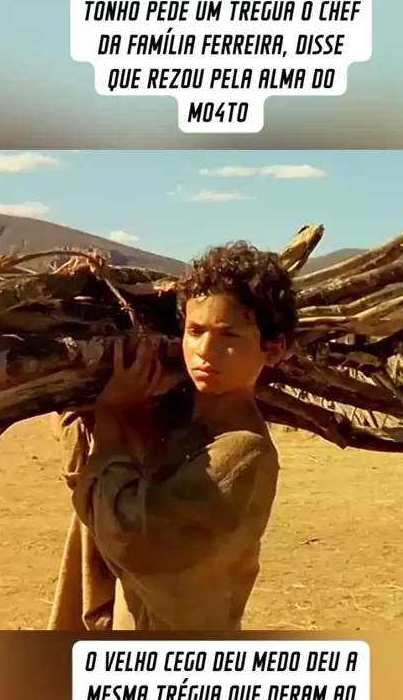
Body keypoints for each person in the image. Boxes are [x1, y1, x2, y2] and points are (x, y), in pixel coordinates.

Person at [48, 242, 297, 631]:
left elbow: (136, 541)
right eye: (195, 331)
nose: (206, 351)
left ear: (275, 348)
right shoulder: (176, 429)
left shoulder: (245, 453)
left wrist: (112, 418)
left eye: (230, 336)